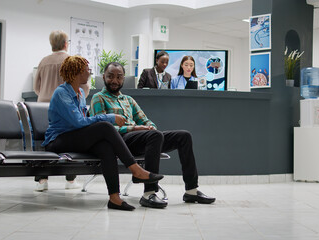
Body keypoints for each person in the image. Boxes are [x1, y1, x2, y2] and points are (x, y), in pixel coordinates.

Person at [42, 56, 163, 211]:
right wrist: (111, 117)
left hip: (76, 137)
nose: (90, 73)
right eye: (87, 70)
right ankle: (135, 169)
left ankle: (114, 198)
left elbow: (81, 123)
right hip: (58, 140)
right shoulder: (62, 93)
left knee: (105, 146)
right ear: (77, 72)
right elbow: (78, 122)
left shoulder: (79, 92)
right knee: (105, 127)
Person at [89, 62, 216, 209]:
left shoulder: (128, 100)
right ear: (104, 76)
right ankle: (149, 193)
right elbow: (103, 128)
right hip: (120, 141)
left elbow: (146, 120)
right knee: (154, 136)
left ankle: (191, 190)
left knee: (184, 136)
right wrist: (135, 128)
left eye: (119, 77)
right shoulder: (98, 98)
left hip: (141, 138)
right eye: (110, 77)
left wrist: (150, 128)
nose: (115, 81)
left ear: (123, 79)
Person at [33, 30, 90, 191]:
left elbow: (36, 87)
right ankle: (70, 180)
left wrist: (46, 96)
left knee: (47, 141)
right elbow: (83, 89)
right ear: (66, 44)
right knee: (69, 138)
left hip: (42, 105)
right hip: (67, 109)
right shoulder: (71, 61)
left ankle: (42, 180)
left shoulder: (44, 61)